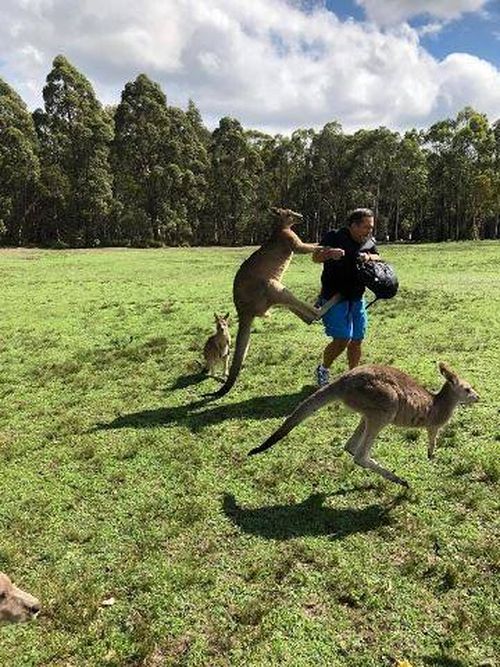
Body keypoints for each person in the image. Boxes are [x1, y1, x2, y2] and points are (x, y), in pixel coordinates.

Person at [312, 208, 381, 387]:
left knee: (357, 339)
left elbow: (378, 257)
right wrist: (329, 253)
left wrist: (368, 256)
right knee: (342, 339)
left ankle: (353, 377)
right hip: (334, 297)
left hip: (357, 296)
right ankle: (323, 369)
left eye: (371, 228)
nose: (369, 231)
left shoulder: (367, 242)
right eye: (366, 227)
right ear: (353, 225)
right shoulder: (334, 236)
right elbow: (315, 257)